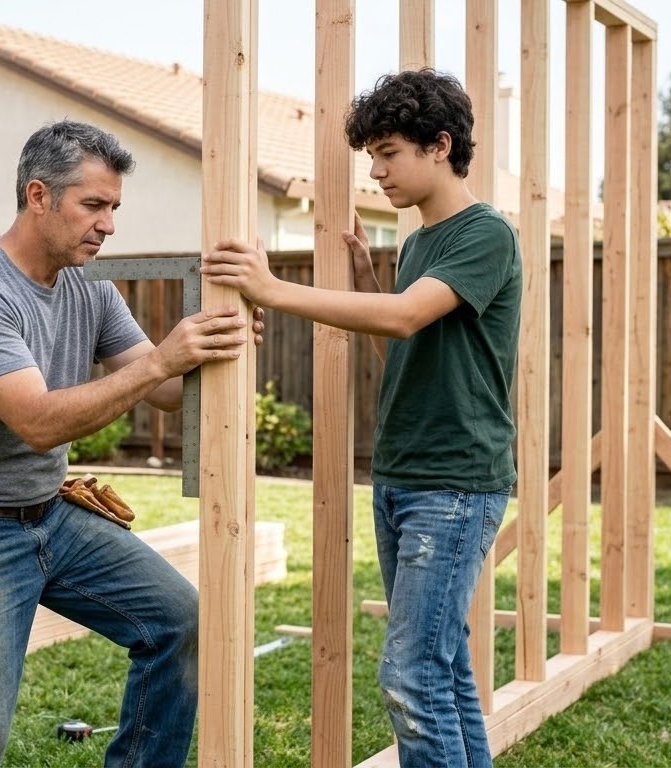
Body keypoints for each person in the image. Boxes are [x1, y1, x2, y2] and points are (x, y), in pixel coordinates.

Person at [0, 119, 263, 768]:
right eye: (94, 205)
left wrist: (216, 346)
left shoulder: (89, 284)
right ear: (39, 197)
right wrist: (161, 364)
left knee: (183, 624)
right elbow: (37, 421)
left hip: (51, 513)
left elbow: (166, 390)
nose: (109, 224)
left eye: (114, 207)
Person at [201, 68, 520, 768]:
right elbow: (411, 338)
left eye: (388, 152)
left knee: (410, 677)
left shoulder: (487, 232)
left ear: (440, 146)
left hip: (456, 481)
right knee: (443, 669)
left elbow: (408, 320)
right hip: (406, 474)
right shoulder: (417, 246)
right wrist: (371, 279)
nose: (375, 172)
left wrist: (273, 289)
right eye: (370, 156)